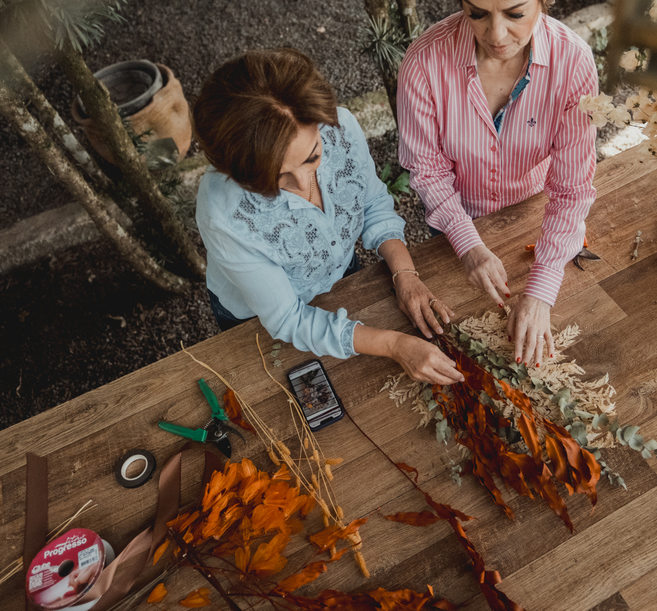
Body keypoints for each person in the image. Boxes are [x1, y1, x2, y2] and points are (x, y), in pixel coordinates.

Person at [193, 48, 462, 385]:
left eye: (312, 158)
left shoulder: (341, 127)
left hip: (341, 274)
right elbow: (288, 319)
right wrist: (394, 344)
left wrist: (405, 274)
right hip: (256, 318)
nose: (302, 183)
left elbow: (373, 203)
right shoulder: (223, 211)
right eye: (273, 180)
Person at [397, 0, 598, 371]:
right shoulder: (423, 65)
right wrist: (467, 244)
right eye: (477, 13)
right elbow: (427, 171)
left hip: (532, 215)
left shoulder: (574, 63)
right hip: (453, 224)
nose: (497, 34)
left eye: (515, 13)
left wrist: (543, 289)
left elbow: (571, 189)